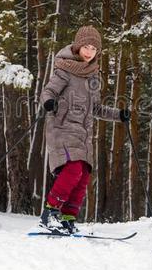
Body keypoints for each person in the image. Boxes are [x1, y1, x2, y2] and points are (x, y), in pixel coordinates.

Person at [39, 25, 130, 234]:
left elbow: (96, 108)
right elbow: (48, 91)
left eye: (94, 49)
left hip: (83, 134)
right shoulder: (65, 69)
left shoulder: (93, 77)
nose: (89, 52)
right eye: (86, 47)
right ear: (79, 46)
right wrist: (49, 102)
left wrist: (119, 114)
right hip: (61, 128)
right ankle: (50, 213)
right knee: (73, 171)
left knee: (83, 176)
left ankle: (67, 218)